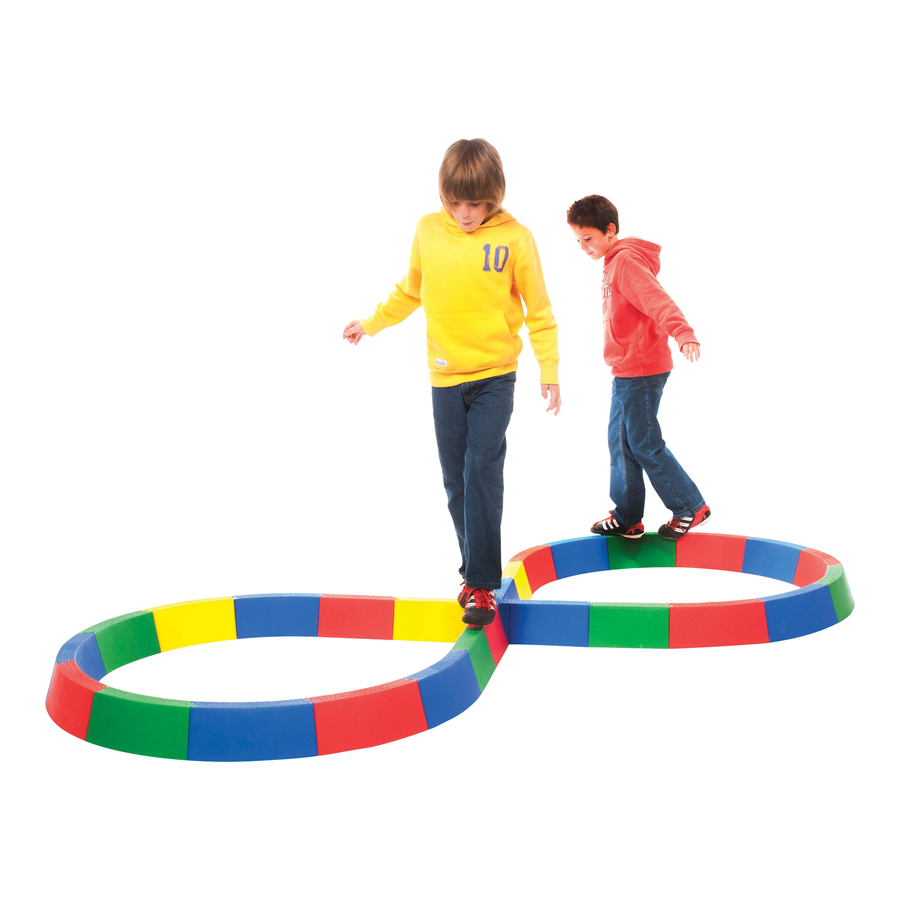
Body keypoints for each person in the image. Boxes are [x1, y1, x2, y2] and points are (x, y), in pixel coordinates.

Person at [343, 139, 560, 626]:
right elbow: (410, 291)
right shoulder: (427, 229)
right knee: (455, 481)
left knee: (481, 469)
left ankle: (481, 584)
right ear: (444, 196)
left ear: (494, 197)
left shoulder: (516, 238)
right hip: (443, 377)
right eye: (456, 202)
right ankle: (472, 573)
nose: (465, 213)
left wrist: (549, 370)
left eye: (477, 204)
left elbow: (540, 311)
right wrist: (371, 324)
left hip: (495, 376)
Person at [566, 194, 710, 541]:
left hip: (643, 369)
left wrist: (683, 333)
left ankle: (690, 506)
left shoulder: (626, 261)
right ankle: (627, 517)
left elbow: (657, 300)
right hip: (625, 369)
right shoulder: (612, 262)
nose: (583, 247)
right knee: (620, 442)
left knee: (643, 443)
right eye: (577, 241)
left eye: (588, 238)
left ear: (609, 230)